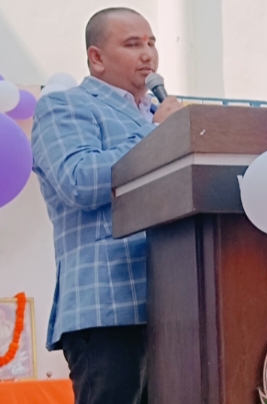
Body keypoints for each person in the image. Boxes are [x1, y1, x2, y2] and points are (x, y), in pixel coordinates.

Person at [31, 7, 183, 404]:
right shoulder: (65, 106)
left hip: (176, 306)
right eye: (132, 44)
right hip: (107, 308)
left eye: (151, 43)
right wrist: (156, 137)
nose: (147, 54)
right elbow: (78, 181)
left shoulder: (158, 116)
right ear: (96, 58)